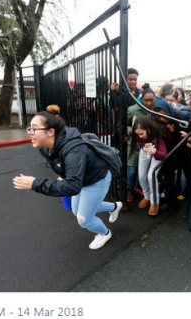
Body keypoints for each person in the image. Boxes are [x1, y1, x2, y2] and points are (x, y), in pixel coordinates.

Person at [12, 105, 122, 250]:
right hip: (82, 179)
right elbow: (61, 165)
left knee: (83, 219)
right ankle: (115, 206)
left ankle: (105, 233)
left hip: (97, 180)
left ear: (51, 131)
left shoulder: (73, 150)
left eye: (34, 128)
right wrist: (61, 176)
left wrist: (35, 184)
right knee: (77, 211)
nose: (30, 133)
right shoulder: (46, 147)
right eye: (29, 128)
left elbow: (72, 186)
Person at [132, 116, 168, 216]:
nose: (140, 136)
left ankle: (154, 201)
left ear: (148, 129)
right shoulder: (143, 130)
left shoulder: (158, 134)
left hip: (156, 152)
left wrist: (154, 151)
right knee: (142, 176)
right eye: (138, 134)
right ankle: (147, 196)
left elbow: (163, 154)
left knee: (151, 176)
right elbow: (141, 139)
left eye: (141, 133)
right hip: (146, 149)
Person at [126, 87, 156, 202]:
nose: (148, 103)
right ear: (141, 99)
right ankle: (130, 189)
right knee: (132, 167)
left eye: (151, 100)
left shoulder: (156, 109)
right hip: (135, 143)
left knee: (145, 168)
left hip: (149, 144)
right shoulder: (132, 109)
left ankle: (140, 188)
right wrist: (131, 130)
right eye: (146, 100)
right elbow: (125, 124)